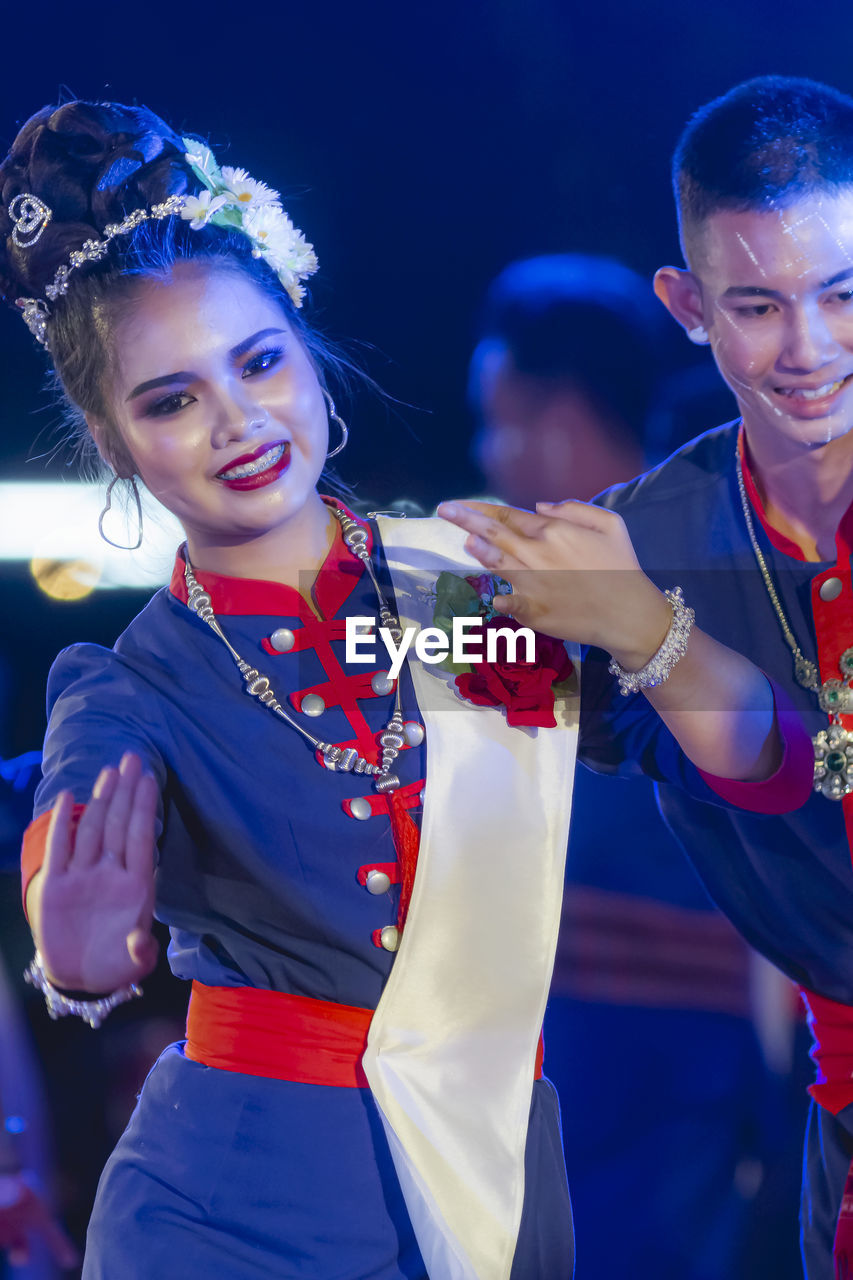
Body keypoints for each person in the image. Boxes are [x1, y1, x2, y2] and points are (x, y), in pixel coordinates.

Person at [0, 99, 808, 1280]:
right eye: (170, 400)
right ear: (114, 439)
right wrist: (73, 949)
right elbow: (74, 836)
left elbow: (764, 756)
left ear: (304, 346)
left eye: (258, 361)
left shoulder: (444, 597)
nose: (236, 422)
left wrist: (645, 625)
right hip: (234, 1215)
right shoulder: (139, 679)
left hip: (489, 1188)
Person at [461, 74, 853, 1280]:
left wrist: (650, 631)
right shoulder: (640, 530)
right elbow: (401, 684)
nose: (808, 349)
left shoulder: (629, 575)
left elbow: (788, 762)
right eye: (756, 304)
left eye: (843, 295)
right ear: (688, 306)